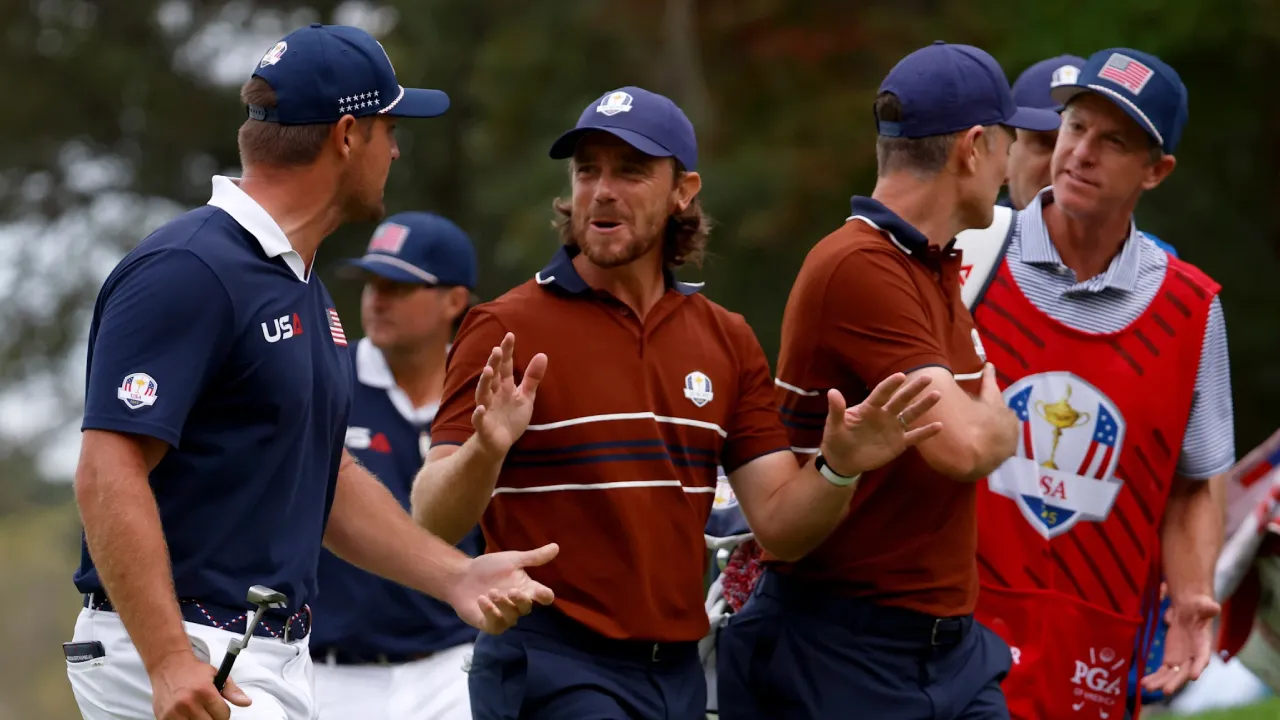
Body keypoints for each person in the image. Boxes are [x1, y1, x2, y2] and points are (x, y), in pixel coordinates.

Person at [66, 24, 556, 720]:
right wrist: (170, 658)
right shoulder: (190, 268)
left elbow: (327, 480)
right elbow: (106, 470)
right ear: (348, 135)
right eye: (390, 127)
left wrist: (455, 574)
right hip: (185, 654)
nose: (396, 148)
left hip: (263, 658)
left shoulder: (301, 288)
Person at [410, 85, 945, 720]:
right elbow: (433, 518)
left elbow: (779, 525)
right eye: (588, 170)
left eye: (631, 170)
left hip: (677, 677)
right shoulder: (503, 327)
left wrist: (839, 467)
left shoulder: (725, 338)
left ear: (683, 191)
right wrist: (486, 449)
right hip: (550, 664)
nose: (602, 189)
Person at [716, 41, 1061, 719]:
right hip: (846, 651)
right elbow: (964, 446)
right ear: (971, 147)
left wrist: (987, 421)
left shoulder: (929, 263)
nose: (1009, 168)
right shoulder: (860, 266)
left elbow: (976, 424)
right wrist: (996, 425)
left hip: (946, 650)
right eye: (1007, 144)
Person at [955, 48, 1234, 720]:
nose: (1081, 153)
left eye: (1114, 141)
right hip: (951, 633)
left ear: (1156, 170)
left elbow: (1194, 481)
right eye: (1077, 127)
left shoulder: (1191, 309)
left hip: (1094, 655)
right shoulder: (966, 258)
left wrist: (1192, 590)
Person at [309, 212, 485, 720]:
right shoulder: (327, 379)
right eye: (372, 283)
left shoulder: (485, 393)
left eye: (399, 286)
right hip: (331, 672)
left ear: (454, 300)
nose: (376, 299)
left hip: (455, 666)